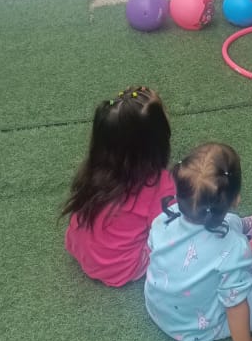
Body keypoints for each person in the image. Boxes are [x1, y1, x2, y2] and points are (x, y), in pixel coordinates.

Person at [144, 144, 252, 341]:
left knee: (227, 226)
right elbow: (235, 306)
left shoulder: (164, 219)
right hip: (198, 327)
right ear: (236, 199)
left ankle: (241, 225)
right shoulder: (234, 248)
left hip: (159, 309)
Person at [63, 86, 173, 287]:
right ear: (156, 138)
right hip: (122, 267)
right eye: (163, 113)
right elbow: (167, 230)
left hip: (81, 250)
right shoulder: (161, 184)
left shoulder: (94, 168)